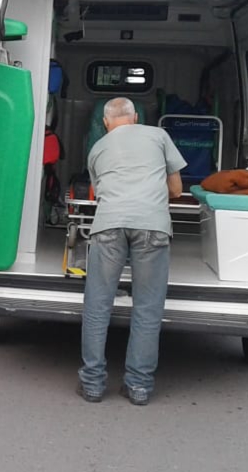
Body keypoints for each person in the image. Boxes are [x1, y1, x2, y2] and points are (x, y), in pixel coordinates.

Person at [77, 97, 186, 406]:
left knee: (97, 306)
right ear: (136, 117)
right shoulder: (159, 136)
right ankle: (138, 386)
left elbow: (99, 193)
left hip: (108, 224)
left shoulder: (97, 148)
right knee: (148, 308)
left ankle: (93, 384)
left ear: (107, 123)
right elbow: (176, 190)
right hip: (152, 225)